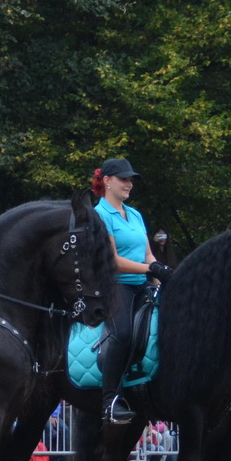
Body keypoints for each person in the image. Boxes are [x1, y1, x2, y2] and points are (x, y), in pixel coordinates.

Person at [93, 158, 171, 426]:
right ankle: (109, 402)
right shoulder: (100, 215)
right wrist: (152, 269)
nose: (129, 184)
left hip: (143, 284)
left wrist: (161, 279)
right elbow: (112, 260)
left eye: (131, 180)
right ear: (107, 181)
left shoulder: (135, 214)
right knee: (123, 332)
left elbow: (148, 253)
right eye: (124, 179)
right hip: (116, 285)